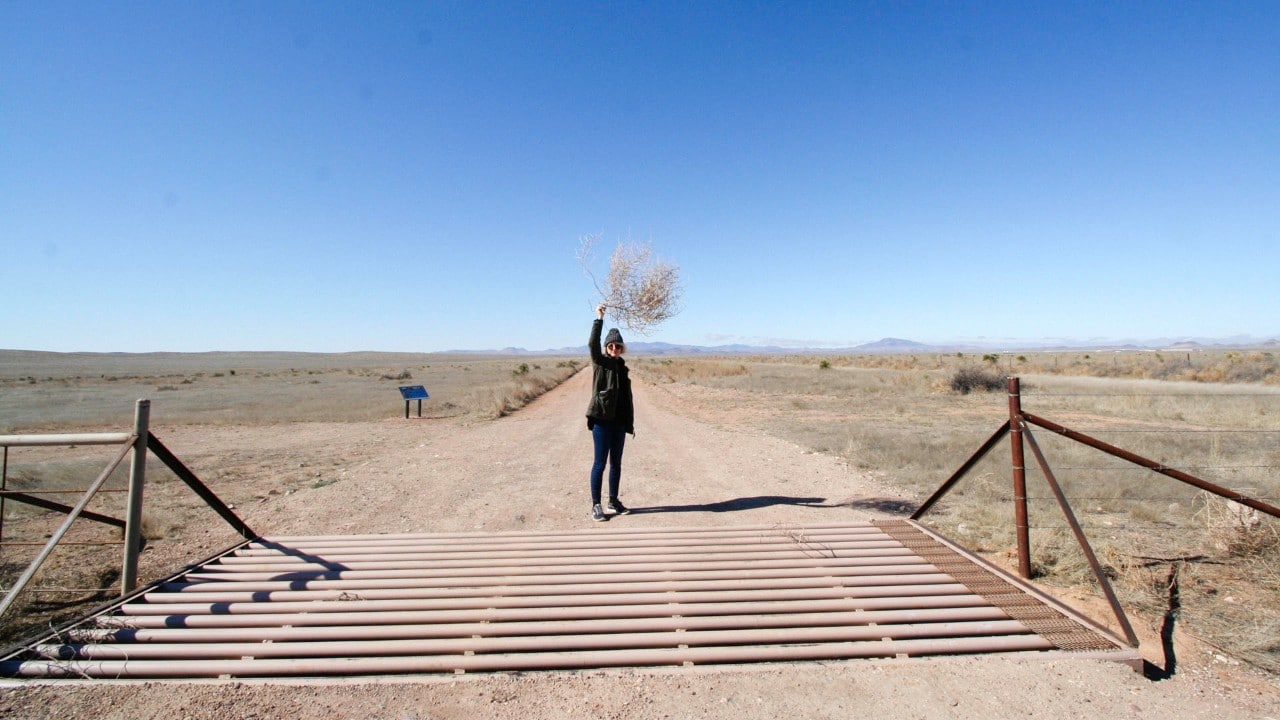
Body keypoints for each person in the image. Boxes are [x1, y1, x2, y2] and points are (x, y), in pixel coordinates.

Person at [585, 303, 635, 522]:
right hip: (602, 422)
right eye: (611, 345)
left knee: (617, 463)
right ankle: (596, 505)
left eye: (618, 346)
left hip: (619, 423)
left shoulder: (622, 368)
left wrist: (628, 423)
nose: (615, 348)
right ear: (606, 347)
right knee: (600, 463)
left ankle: (613, 501)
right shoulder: (601, 363)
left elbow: (626, 398)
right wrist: (599, 318)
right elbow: (591, 344)